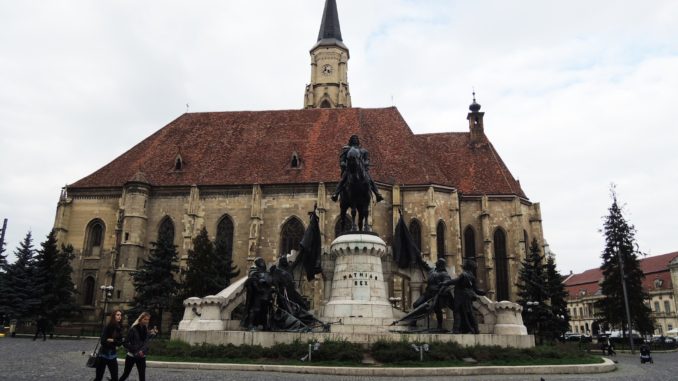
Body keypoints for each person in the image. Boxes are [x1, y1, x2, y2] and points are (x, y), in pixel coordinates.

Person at [331, 135, 384, 203]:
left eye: (356, 139)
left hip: (361, 169)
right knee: (343, 180)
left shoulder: (363, 151)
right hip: (349, 170)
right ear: (350, 141)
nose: (355, 140)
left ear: (358, 141)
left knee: (370, 180)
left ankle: (377, 194)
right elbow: (342, 160)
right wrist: (343, 164)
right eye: (353, 139)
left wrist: (365, 163)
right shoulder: (346, 150)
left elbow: (367, 160)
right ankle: (336, 194)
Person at [412, 258, 453, 330]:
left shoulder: (444, 274)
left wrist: (440, 291)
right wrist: (419, 259)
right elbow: (425, 266)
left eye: (437, 262)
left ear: (441, 264)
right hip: (427, 293)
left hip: (436, 294)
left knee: (437, 310)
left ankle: (440, 325)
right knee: (416, 304)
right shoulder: (432, 270)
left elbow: (446, 283)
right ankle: (414, 321)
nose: (436, 262)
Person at [119, 312, 157, 381]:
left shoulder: (145, 329)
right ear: (140, 319)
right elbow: (125, 343)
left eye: (148, 319)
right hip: (131, 356)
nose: (147, 321)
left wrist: (152, 334)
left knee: (142, 376)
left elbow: (144, 341)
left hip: (142, 356)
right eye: (145, 319)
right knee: (125, 374)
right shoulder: (133, 329)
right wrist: (134, 349)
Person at [94, 310, 124, 381]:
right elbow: (103, 341)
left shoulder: (119, 328)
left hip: (112, 356)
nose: (119, 316)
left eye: (120, 315)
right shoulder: (108, 326)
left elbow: (120, 342)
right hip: (103, 355)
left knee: (115, 378)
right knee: (98, 378)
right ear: (114, 316)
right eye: (117, 315)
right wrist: (114, 343)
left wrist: (112, 340)